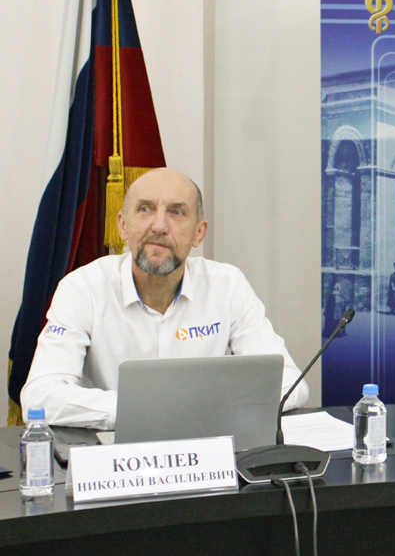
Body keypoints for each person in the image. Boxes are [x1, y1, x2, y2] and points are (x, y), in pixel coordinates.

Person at [20, 168, 309, 429]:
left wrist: (198, 409)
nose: (159, 226)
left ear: (198, 233)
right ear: (123, 225)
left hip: (204, 451)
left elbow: (291, 383)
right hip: (113, 457)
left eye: (176, 212)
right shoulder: (83, 288)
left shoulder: (227, 285)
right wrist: (144, 411)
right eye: (145, 209)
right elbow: (39, 397)